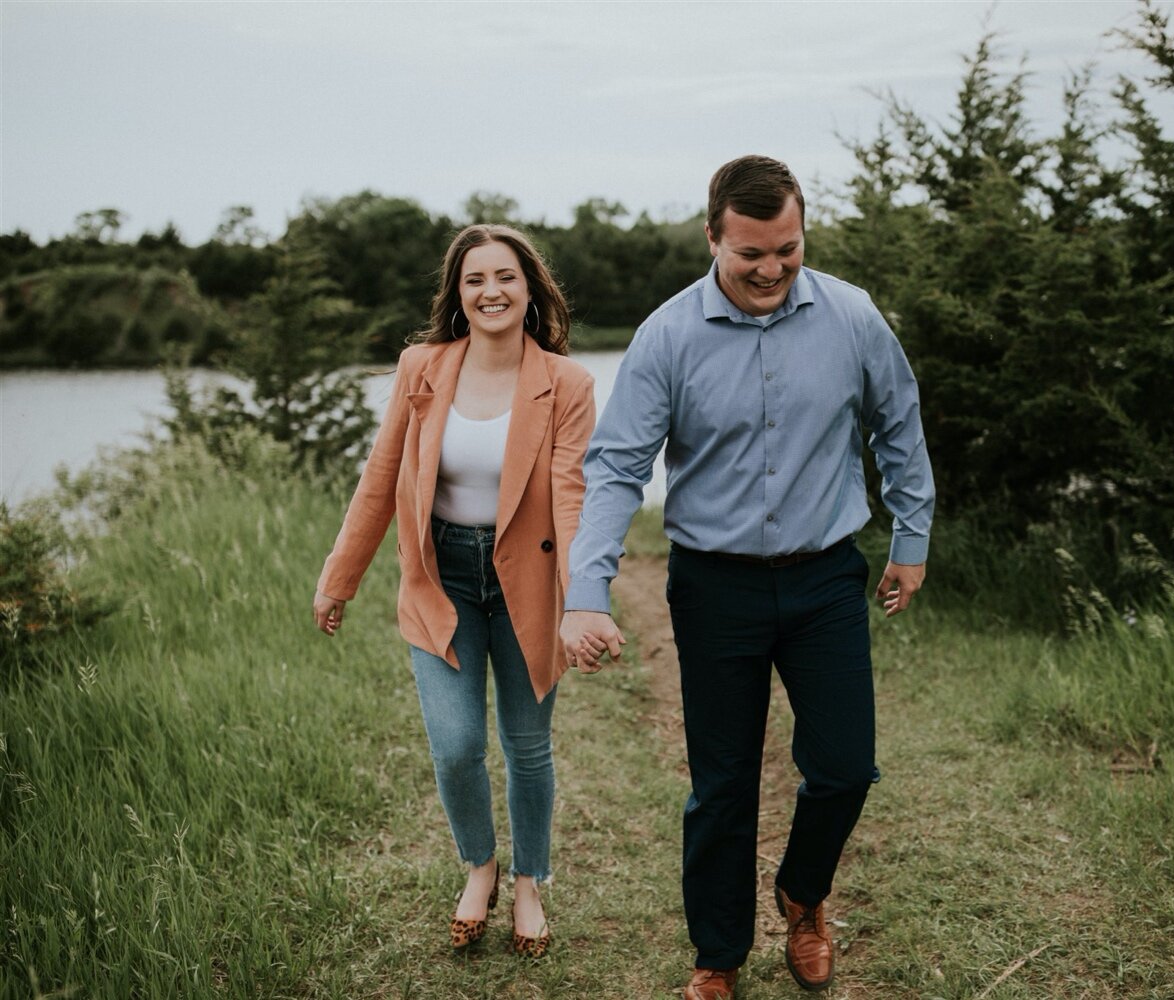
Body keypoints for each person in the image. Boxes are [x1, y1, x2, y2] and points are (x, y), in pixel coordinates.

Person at [560, 155, 935, 999]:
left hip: (825, 581)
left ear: (803, 235)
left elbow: (899, 427)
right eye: (750, 255)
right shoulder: (666, 335)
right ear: (712, 239)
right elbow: (618, 467)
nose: (770, 270)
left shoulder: (853, 317)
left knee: (845, 767)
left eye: (788, 251)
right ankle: (717, 958)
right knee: (722, 783)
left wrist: (911, 538)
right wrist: (587, 591)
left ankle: (804, 897)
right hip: (714, 587)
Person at [313, 224, 596, 956]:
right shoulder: (423, 367)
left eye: (505, 277)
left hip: (528, 581)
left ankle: (529, 881)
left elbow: (571, 497)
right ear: (457, 294)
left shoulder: (567, 383)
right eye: (475, 280)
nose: (491, 291)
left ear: (530, 288)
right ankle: (481, 865)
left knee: (527, 746)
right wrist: (339, 578)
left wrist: (584, 601)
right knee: (456, 745)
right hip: (442, 577)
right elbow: (381, 478)